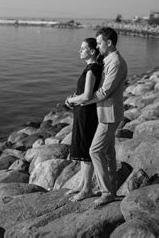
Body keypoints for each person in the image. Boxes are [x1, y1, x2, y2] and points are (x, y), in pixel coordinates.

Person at [84, 27, 128, 207]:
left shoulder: (116, 62)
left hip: (110, 115)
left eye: (100, 43)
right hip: (105, 113)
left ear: (109, 43)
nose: (98, 46)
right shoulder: (108, 59)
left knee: (94, 151)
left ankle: (106, 192)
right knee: (109, 154)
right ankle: (113, 188)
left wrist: (83, 101)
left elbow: (104, 92)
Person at [65, 38, 102, 202]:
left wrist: (70, 101)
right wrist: (76, 99)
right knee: (82, 149)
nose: (79, 51)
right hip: (83, 112)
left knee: (86, 150)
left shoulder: (92, 69)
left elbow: (87, 96)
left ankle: (87, 189)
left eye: (83, 48)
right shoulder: (91, 68)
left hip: (87, 114)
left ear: (92, 51)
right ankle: (82, 185)